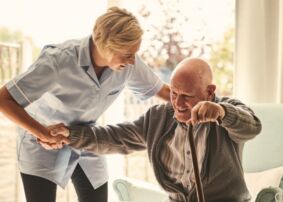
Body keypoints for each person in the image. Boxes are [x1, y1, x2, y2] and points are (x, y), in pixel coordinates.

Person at [0, 7, 170, 202]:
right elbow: (4, 99)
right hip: (42, 142)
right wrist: (42, 132)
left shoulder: (127, 63)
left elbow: (165, 91)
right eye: (127, 55)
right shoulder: (58, 61)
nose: (132, 61)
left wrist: (202, 102)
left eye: (134, 54)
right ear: (106, 46)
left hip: (86, 138)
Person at [51, 57, 262, 201]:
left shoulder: (226, 111)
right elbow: (115, 138)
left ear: (209, 91)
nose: (178, 103)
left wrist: (222, 112)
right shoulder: (158, 118)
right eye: (174, 93)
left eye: (187, 96)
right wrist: (71, 134)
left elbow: (252, 127)